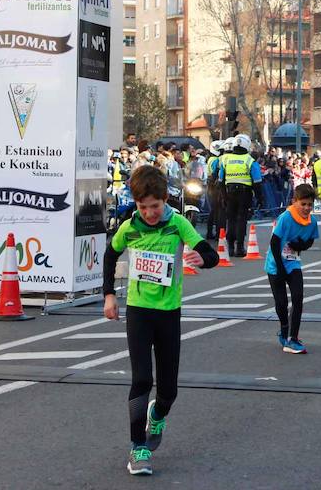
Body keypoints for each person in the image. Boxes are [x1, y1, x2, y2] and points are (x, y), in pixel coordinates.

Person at [101, 166, 219, 476]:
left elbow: (210, 254)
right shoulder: (130, 227)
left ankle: (159, 413)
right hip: (139, 312)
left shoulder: (178, 224)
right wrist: (109, 295)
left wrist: (201, 258)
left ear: (165, 200)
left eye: (155, 206)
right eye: (143, 207)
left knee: (168, 391)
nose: (150, 213)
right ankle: (138, 447)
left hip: (169, 313)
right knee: (141, 379)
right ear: (136, 205)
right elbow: (110, 255)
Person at [266, 183, 320, 355]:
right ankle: (284, 329)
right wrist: (279, 268)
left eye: (309, 205)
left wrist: (302, 245)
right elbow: (274, 243)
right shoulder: (286, 217)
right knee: (281, 303)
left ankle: (293, 338)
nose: (306, 208)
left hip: (293, 263)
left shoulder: (312, 221)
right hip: (275, 263)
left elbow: (311, 239)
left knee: (298, 298)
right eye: (303, 204)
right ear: (295, 202)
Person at [218, 134, 265, 257]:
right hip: (245, 194)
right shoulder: (250, 161)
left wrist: (223, 196)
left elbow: (220, 181)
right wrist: (260, 199)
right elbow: (257, 182)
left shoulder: (225, 159)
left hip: (229, 192)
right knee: (241, 219)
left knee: (231, 219)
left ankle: (230, 247)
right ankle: (239, 247)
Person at [205, 140, 225, 240]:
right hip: (214, 186)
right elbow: (214, 172)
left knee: (214, 210)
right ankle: (215, 232)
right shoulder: (214, 160)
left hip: (212, 185)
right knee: (217, 211)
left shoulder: (211, 158)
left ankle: (211, 232)